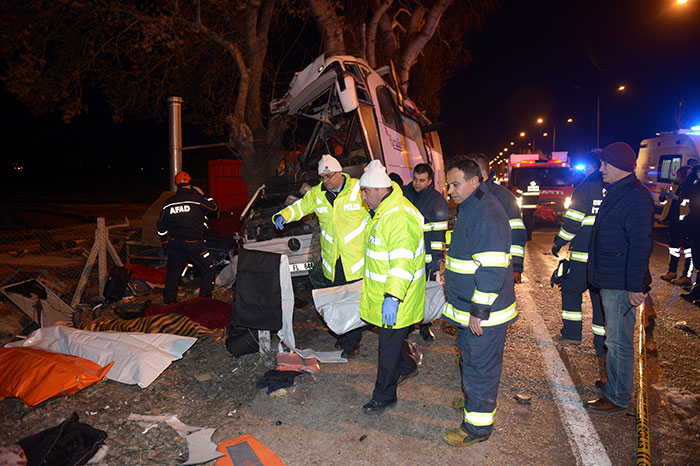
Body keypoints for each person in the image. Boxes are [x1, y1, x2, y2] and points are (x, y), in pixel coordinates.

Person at [441, 157, 517, 446]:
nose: (450, 190)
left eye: (455, 184)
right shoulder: (472, 206)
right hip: (470, 309)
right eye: (448, 184)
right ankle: (473, 402)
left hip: (483, 314)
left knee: (480, 368)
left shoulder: (486, 213)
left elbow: (492, 267)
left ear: (475, 181)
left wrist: (479, 310)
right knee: (470, 361)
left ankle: (477, 427)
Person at [272, 154, 370, 358]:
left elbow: (377, 211)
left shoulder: (358, 189)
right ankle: (344, 334)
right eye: (322, 178)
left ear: (340, 173)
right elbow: (300, 207)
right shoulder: (317, 194)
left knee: (353, 301)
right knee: (337, 300)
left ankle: (352, 343)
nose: (325, 181)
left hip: (356, 259)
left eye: (329, 176)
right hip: (332, 259)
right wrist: (283, 215)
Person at [586, 142, 654, 413]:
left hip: (620, 284)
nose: (601, 168)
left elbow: (640, 244)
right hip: (611, 279)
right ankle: (616, 383)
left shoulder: (634, 197)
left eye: (605, 164)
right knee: (612, 338)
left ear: (619, 166)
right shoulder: (618, 192)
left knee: (618, 341)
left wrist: (635, 286)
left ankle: (617, 396)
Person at [358, 160, 425, 414]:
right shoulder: (384, 212)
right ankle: (408, 366)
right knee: (392, 342)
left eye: (366, 192)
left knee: (386, 350)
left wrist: (393, 297)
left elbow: (402, 262)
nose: (364, 197)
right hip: (388, 295)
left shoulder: (397, 216)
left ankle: (384, 395)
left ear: (379, 190)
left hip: (398, 298)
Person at [551, 150, 606, 381]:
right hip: (605, 258)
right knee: (600, 301)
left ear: (591, 167)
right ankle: (602, 345)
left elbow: (572, 223)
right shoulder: (613, 189)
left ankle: (572, 333)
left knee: (572, 291)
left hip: (583, 256)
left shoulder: (585, 189)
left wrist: (558, 242)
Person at [157, 171, 219, 304]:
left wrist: (165, 242)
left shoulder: (168, 203)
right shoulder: (197, 199)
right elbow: (214, 209)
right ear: (191, 184)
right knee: (208, 269)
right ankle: (204, 300)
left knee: (173, 272)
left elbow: (161, 226)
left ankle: (169, 301)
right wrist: (203, 195)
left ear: (176, 185)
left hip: (175, 244)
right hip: (194, 243)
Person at [403, 163, 448, 342]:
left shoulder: (437, 201)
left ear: (429, 181)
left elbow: (438, 233)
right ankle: (405, 328)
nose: (417, 183)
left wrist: (435, 258)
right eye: (415, 179)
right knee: (406, 293)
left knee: (425, 294)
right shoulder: (404, 195)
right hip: (405, 254)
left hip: (426, 256)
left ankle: (425, 327)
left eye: (422, 180)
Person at [464, 153, 527, 284]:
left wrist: (516, 266)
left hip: (497, 269)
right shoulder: (470, 195)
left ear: (481, 172)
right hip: (473, 267)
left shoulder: (504, 197)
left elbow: (517, 232)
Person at [659, 166, 693, 286]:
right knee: (673, 247)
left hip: (685, 223)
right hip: (674, 222)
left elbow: (686, 203)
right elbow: (665, 203)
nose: (676, 178)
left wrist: (674, 197)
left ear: (684, 177)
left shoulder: (690, 188)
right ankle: (672, 271)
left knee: (688, 250)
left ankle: (686, 276)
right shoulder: (675, 186)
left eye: (679, 175)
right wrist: (663, 196)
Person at [680, 162, 700, 305]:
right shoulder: (696, 184)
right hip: (695, 227)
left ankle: (697, 293)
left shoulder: (696, 186)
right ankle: (697, 290)